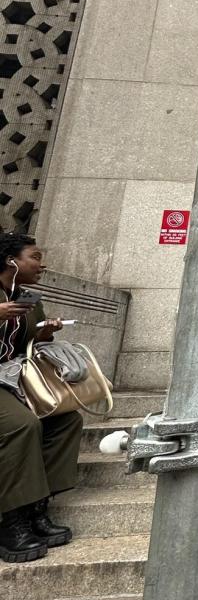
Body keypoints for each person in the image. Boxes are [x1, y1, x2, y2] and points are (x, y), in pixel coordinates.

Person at [0, 232, 82, 564]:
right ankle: (11, 519)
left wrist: (43, 332)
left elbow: (24, 345)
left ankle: (37, 508)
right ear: (11, 261)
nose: (41, 263)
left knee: (66, 418)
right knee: (22, 425)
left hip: (13, 378)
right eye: (34, 256)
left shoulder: (28, 298)